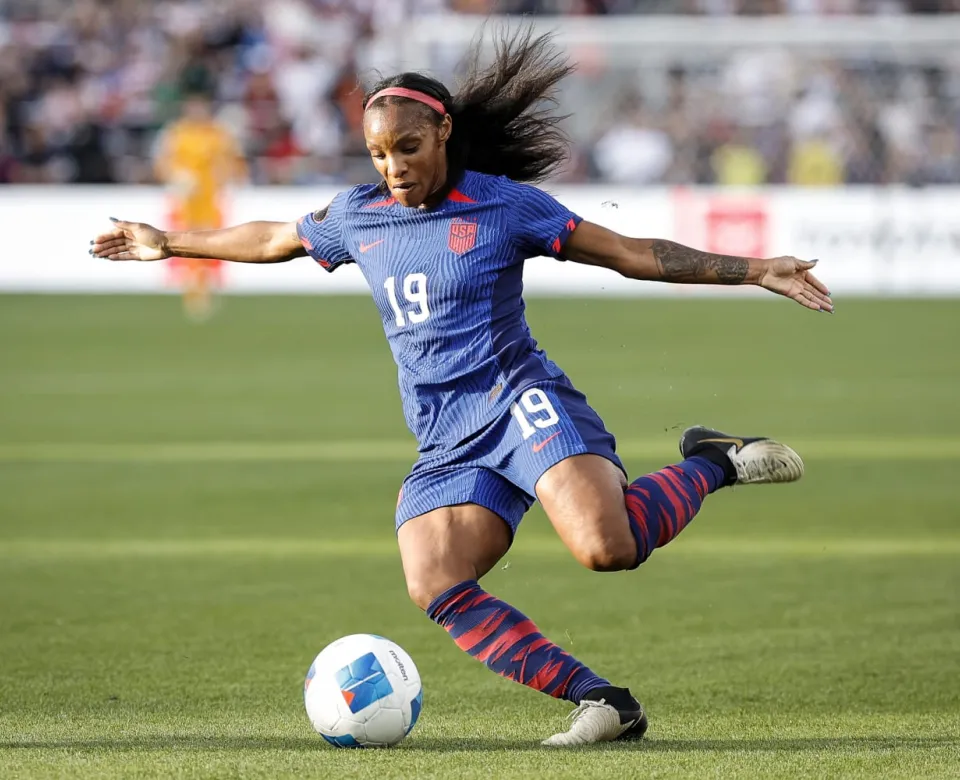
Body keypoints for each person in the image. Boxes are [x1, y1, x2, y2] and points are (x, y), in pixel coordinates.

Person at [91, 27, 832, 746]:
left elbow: (630, 253)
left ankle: (713, 459)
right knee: (435, 582)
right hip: (446, 435)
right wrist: (170, 242)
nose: (393, 167)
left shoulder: (504, 205)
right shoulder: (358, 215)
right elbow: (273, 239)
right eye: (379, 154)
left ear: (442, 133)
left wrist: (753, 268)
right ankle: (602, 701)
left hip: (521, 402)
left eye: (407, 148)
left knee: (608, 549)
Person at [153, 81, 247, 321]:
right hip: (186, 201)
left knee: (210, 244)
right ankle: (192, 292)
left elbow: (233, 163)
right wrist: (176, 178)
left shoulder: (218, 134)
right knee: (186, 242)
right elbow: (163, 164)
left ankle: (205, 290)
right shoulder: (177, 133)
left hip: (210, 198)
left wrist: (225, 178)